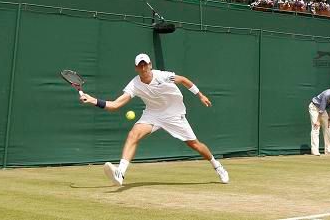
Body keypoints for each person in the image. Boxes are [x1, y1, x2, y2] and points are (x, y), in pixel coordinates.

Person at [80, 53, 229, 186]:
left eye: (146, 64)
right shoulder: (134, 84)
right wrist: (93, 100)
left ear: (150, 65)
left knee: (195, 145)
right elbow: (115, 105)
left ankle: (217, 165)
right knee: (133, 134)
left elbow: (183, 80)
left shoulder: (162, 76)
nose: (144, 68)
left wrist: (200, 95)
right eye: (140, 65)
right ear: (136, 68)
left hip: (174, 114)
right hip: (153, 114)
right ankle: (120, 173)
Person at [308, 80, 330, 155]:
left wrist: (329, 120)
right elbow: (322, 108)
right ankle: (314, 150)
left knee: (328, 127)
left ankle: (329, 150)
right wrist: (318, 121)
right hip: (314, 107)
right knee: (316, 127)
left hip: (322, 110)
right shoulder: (327, 94)